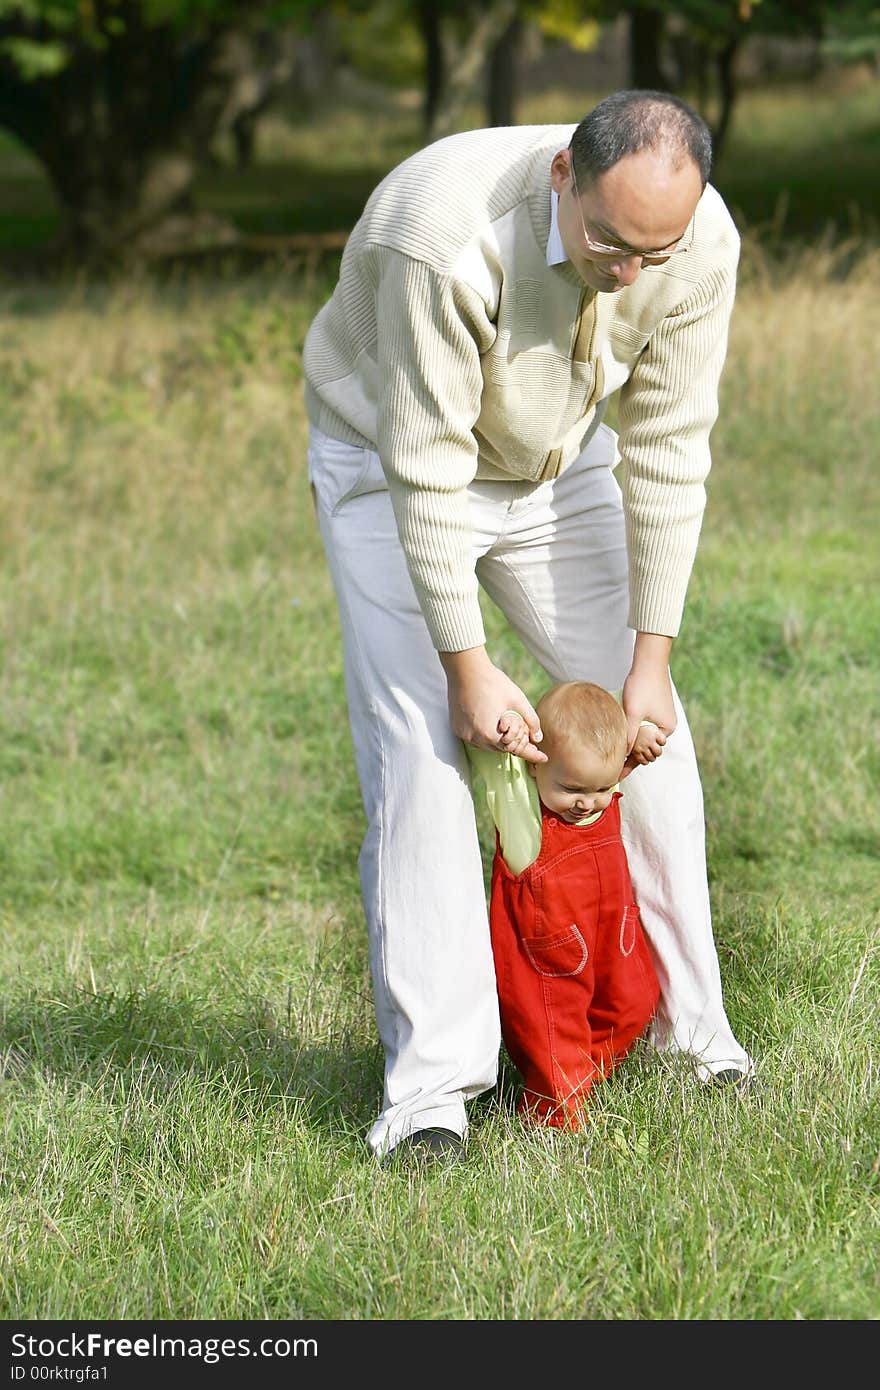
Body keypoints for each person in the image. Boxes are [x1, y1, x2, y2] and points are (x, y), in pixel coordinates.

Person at [303, 88, 754, 1166]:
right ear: (564, 173)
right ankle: (433, 1094)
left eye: (659, 247)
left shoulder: (695, 242)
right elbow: (424, 465)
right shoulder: (439, 238)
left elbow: (669, 447)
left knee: (651, 732)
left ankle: (696, 1039)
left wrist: (649, 664)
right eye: (609, 241)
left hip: (560, 464)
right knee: (426, 752)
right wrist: (468, 670)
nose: (631, 271)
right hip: (390, 469)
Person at [468, 683, 662, 1130]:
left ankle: (579, 1075)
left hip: (613, 939)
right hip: (547, 959)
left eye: (602, 789)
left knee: (635, 1005)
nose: (588, 803)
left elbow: (604, 768)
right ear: (537, 763)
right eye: (573, 788)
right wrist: (509, 733)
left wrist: (640, 745)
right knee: (553, 1034)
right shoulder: (524, 809)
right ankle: (553, 1114)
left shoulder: (597, 784)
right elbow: (492, 758)